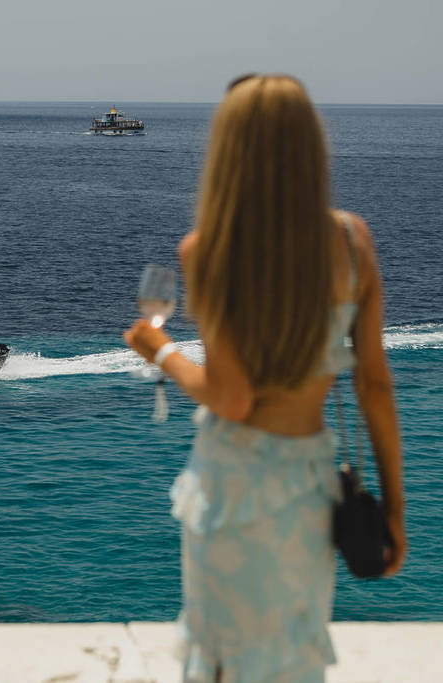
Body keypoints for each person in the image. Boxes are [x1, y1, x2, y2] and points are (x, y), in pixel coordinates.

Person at [124, 75, 405, 682]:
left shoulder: (211, 249)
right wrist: (395, 510)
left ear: (228, 147)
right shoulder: (353, 244)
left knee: (225, 661)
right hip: (308, 485)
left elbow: (231, 398)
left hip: (233, 488)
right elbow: (375, 385)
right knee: (294, 655)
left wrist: (160, 350)